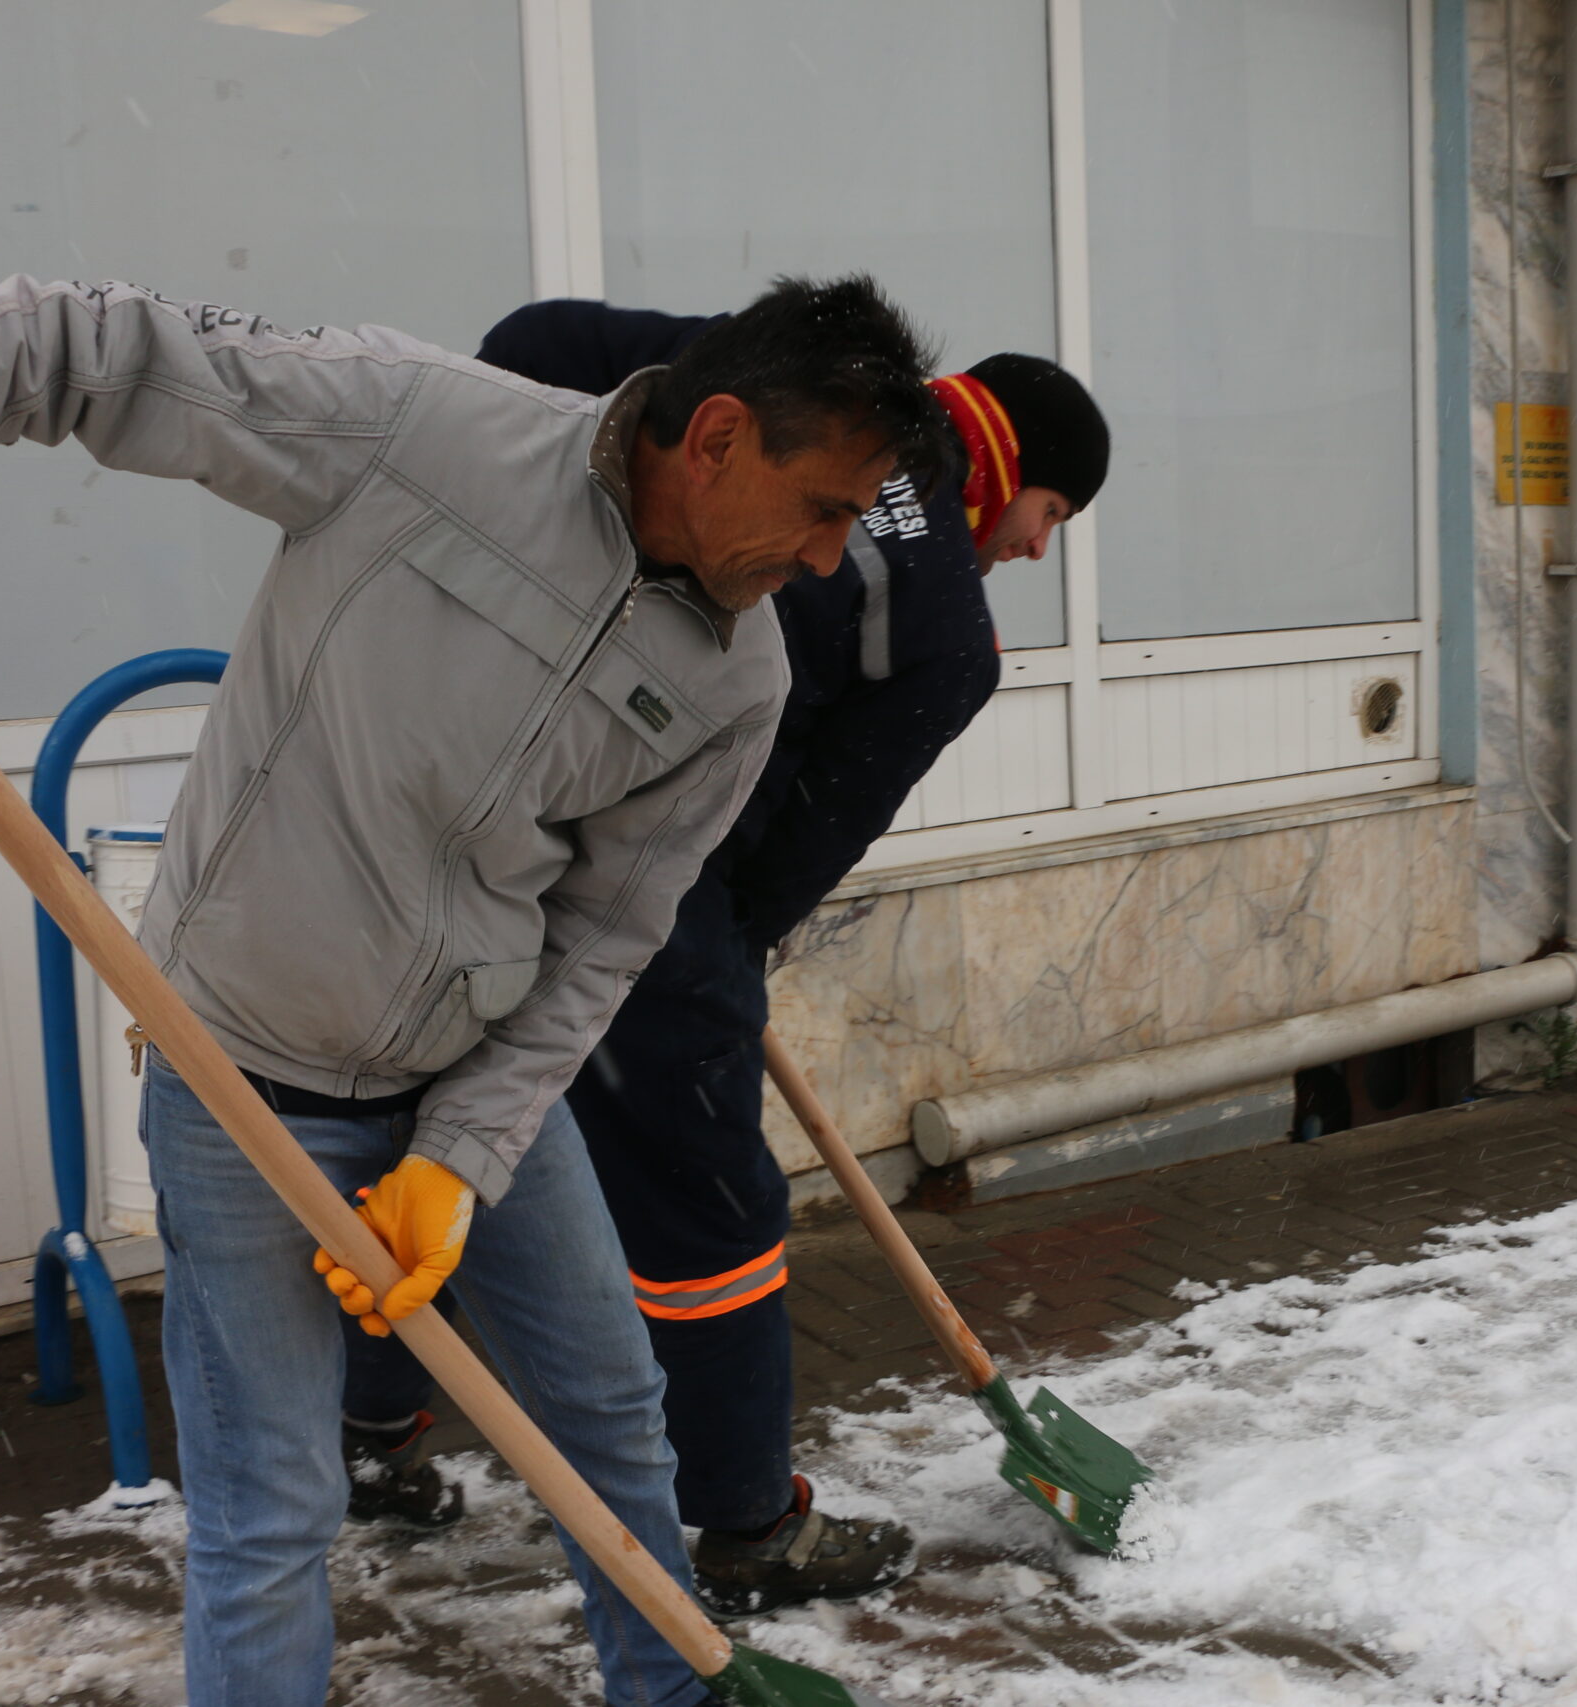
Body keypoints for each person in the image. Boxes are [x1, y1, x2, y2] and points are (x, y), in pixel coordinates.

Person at [0, 273, 951, 1707]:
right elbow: (102, 348)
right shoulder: (424, 429)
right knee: (271, 1511)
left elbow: (604, 938)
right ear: (718, 433)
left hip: (467, 1074)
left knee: (614, 1427)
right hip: (241, 1075)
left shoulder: (738, 682)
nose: (825, 556)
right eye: (825, 507)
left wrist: (461, 1152)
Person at [337, 299, 1110, 1620]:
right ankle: (750, 1524)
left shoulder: (783, 388)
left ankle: (372, 1439)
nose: (1036, 553)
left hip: (468, 813)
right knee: (712, 1212)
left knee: (438, 1152)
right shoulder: (947, 638)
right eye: (1053, 518)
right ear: (1016, 471)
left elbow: (541, 338)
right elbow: (806, 840)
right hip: (656, 883)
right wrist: (700, 965)